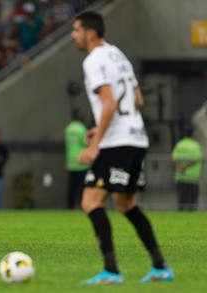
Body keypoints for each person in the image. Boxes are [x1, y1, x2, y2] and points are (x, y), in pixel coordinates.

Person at [71, 11, 174, 284]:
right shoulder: (118, 54)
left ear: (90, 33)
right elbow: (137, 100)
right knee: (126, 204)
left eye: (76, 30)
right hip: (137, 138)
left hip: (116, 142)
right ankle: (161, 267)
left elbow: (110, 103)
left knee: (90, 202)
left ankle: (111, 271)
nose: (73, 36)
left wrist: (96, 143)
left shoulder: (93, 60)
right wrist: (105, 126)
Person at [171, 127, 202, 211]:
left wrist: (180, 167)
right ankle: (191, 214)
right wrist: (185, 166)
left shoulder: (179, 144)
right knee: (193, 199)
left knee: (182, 198)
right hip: (193, 177)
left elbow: (174, 157)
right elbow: (196, 159)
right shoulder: (196, 145)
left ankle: (180, 213)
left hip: (181, 176)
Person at [64, 109, 89, 209]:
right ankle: (82, 205)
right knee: (82, 187)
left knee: (71, 187)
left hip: (71, 162)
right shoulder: (82, 129)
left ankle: (70, 206)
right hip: (81, 162)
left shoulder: (68, 128)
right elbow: (86, 143)